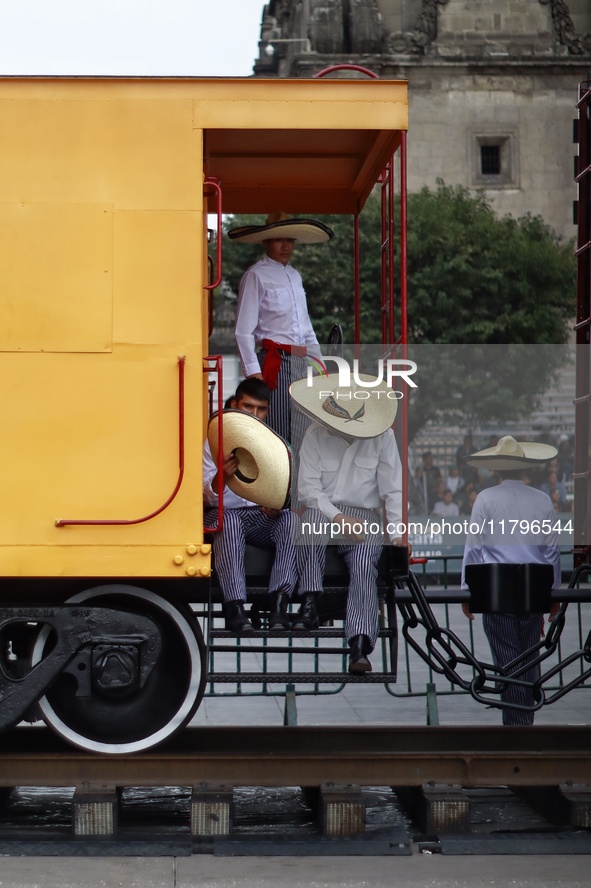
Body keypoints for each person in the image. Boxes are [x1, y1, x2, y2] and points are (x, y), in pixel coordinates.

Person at [290, 372, 406, 674]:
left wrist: (397, 535)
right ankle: (310, 603)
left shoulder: (383, 436)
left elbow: (393, 489)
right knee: (311, 524)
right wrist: (338, 517)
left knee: (366, 564)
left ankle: (358, 643)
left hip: (364, 515)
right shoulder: (315, 434)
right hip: (324, 511)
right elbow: (308, 491)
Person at [460, 435, 562, 725]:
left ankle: (517, 727)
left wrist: (467, 590)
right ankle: (523, 721)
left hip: (496, 589)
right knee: (528, 656)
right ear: (525, 468)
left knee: (508, 659)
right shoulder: (542, 500)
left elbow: (474, 548)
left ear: (497, 470)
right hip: (534, 588)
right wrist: (553, 594)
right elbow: (551, 551)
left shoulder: (485, 498)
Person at [229, 211, 334, 444]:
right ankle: (280, 480)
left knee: (303, 430)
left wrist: (321, 368)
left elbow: (306, 329)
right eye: (279, 240)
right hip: (274, 363)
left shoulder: (296, 276)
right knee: (276, 432)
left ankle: (299, 481)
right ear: (267, 241)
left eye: (289, 240)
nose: (285, 246)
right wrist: (254, 374)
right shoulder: (256, 275)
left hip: (299, 361)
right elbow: (243, 331)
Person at [203, 377, 297, 633]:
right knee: (229, 520)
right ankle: (234, 607)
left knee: (290, 520)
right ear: (234, 404)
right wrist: (221, 477)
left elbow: (287, 488)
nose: (255, 414)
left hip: (259, 518)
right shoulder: (213, 442)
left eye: (261, 409)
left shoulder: (273, 444)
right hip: (222, 515)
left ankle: (279, 604)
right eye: (248, 407)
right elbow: (205, 498)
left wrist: (278, 505)